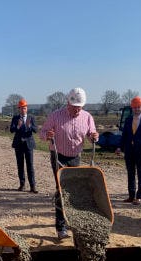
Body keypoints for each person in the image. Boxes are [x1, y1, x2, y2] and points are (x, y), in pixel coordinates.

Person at [40, 87, 99, 240]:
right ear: (68, 103)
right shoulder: (55, 116)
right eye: (75, 107)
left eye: (80, 107)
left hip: (75, 157)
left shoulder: (87, 117)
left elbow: (91, 134)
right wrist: (47, 135)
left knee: (75, 191)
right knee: (61, 190)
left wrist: (93, 136)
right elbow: (42, 133)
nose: (77, 110)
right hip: (58, 156)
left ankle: (74, 221)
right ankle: (61, 228)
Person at [10, 99, 38, 193]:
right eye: (21, 108)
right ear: (19, 109)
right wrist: (17, 126)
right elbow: (11, 130)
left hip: (29, 144)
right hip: (18, 145)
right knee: (20, 165)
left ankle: (32, 186)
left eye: (24, 108)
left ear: (27, 108)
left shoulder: (31, 117)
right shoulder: (15, 118)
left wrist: (29, 126)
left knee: (30, 165)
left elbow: (36, 130)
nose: (23, 110)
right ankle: (22, 184)